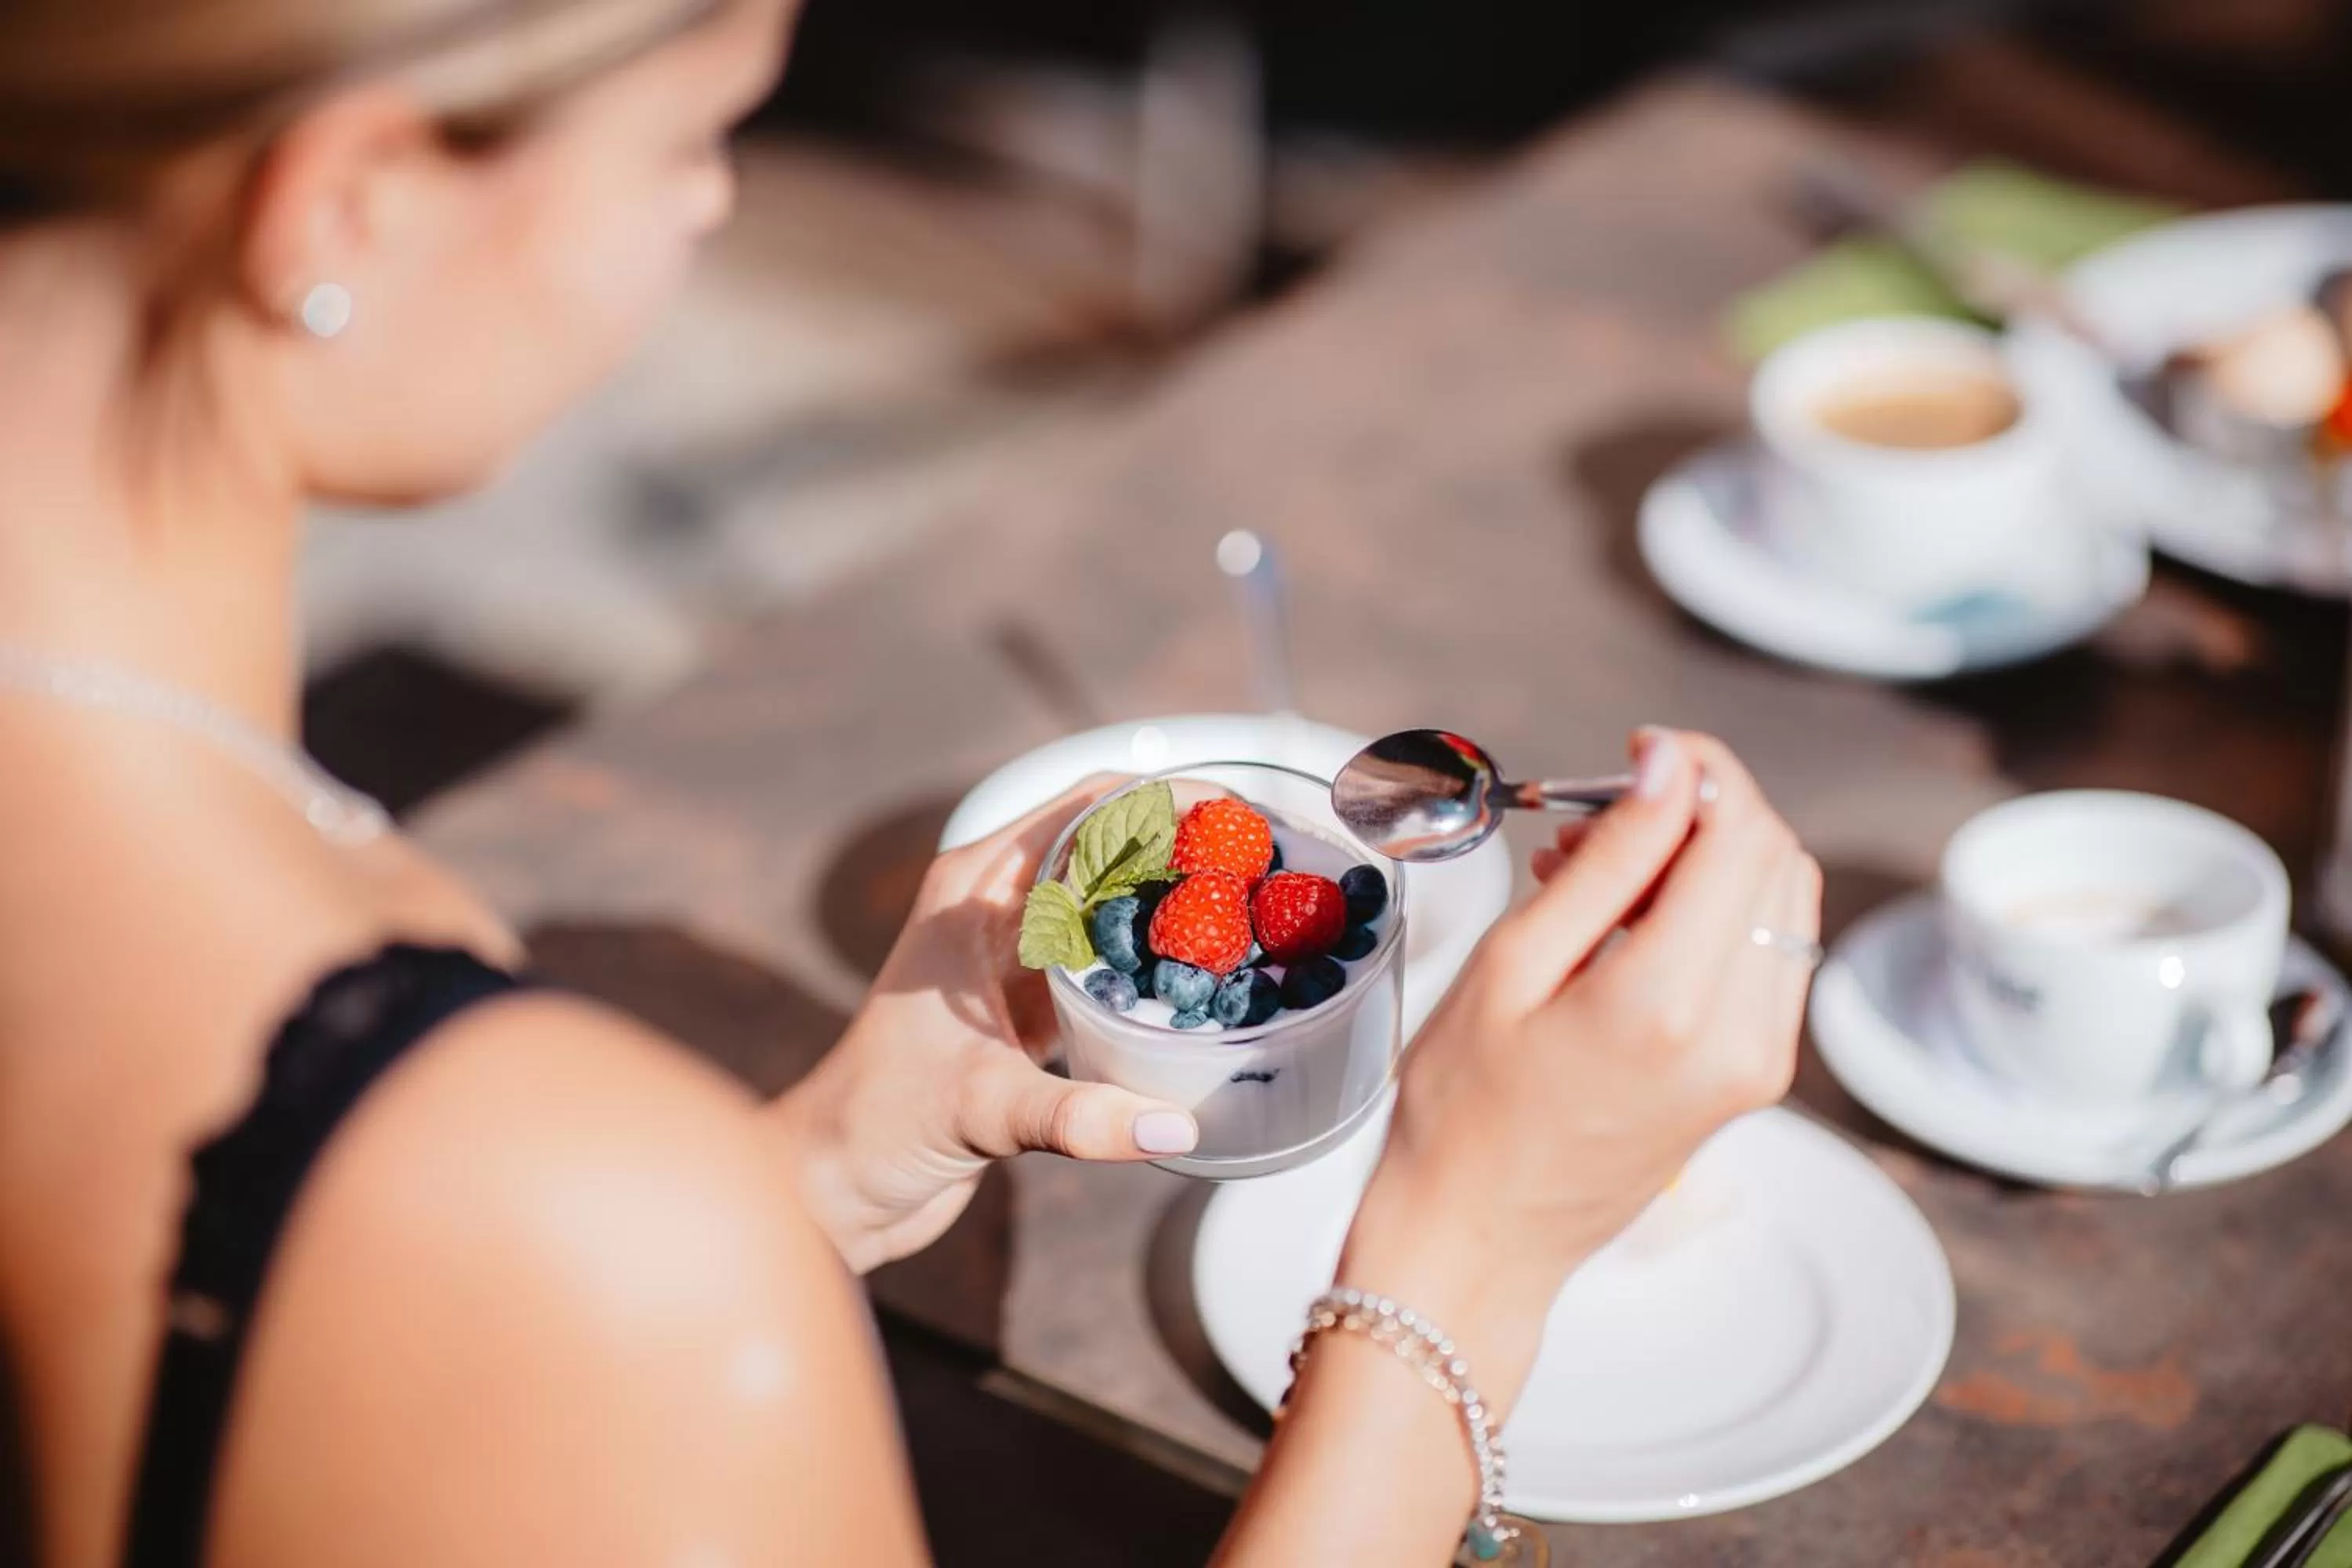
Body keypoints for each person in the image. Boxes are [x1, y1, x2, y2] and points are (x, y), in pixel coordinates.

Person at [0, 0, 1823, 1562]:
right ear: (351, 200)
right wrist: (1467, 1251)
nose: (711, 215)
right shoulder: (544, 1203)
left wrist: (791, 1193)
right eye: (692, 142)